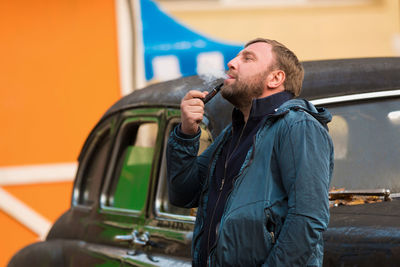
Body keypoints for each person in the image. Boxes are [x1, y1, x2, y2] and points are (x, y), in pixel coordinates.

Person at [166, 38, 334, 266]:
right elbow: (183, 194)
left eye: (248, 58)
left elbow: (307, 218)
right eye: (236, 56)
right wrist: (187, 133)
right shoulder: (232, 134)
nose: (232, 63)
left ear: (275, 78)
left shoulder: (297, 126)